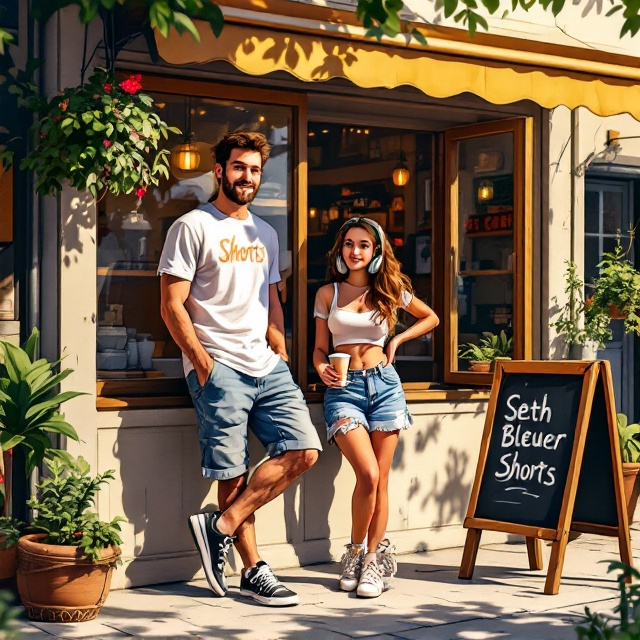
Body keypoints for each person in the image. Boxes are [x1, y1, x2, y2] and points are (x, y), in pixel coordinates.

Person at [158, 131, 322, 607]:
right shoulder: (192, 226)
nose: (246, 177)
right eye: (238, 167)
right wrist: (204, 364)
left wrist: (281, 346)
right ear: (220, 171)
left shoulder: (266, 233)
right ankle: (254, 570)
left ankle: (221, 524)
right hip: (219, 363)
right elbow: (172, 305)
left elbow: (271, 296)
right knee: (231, 472)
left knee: (304, 450)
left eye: (254, 169)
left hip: (266, 364)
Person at [313, 217, 439, 598]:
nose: (355, 251)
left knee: (380, 479)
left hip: (384, 388)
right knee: (367, 473)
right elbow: (320, 349)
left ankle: (371, 563)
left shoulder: (389, 289)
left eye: (364, 245)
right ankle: (354, 552)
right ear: (341, 250)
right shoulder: (327, 294)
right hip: (345, 390)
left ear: (376, 251)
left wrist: (397, 342)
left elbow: (430, 317)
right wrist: (321, 368)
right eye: (349, 244)